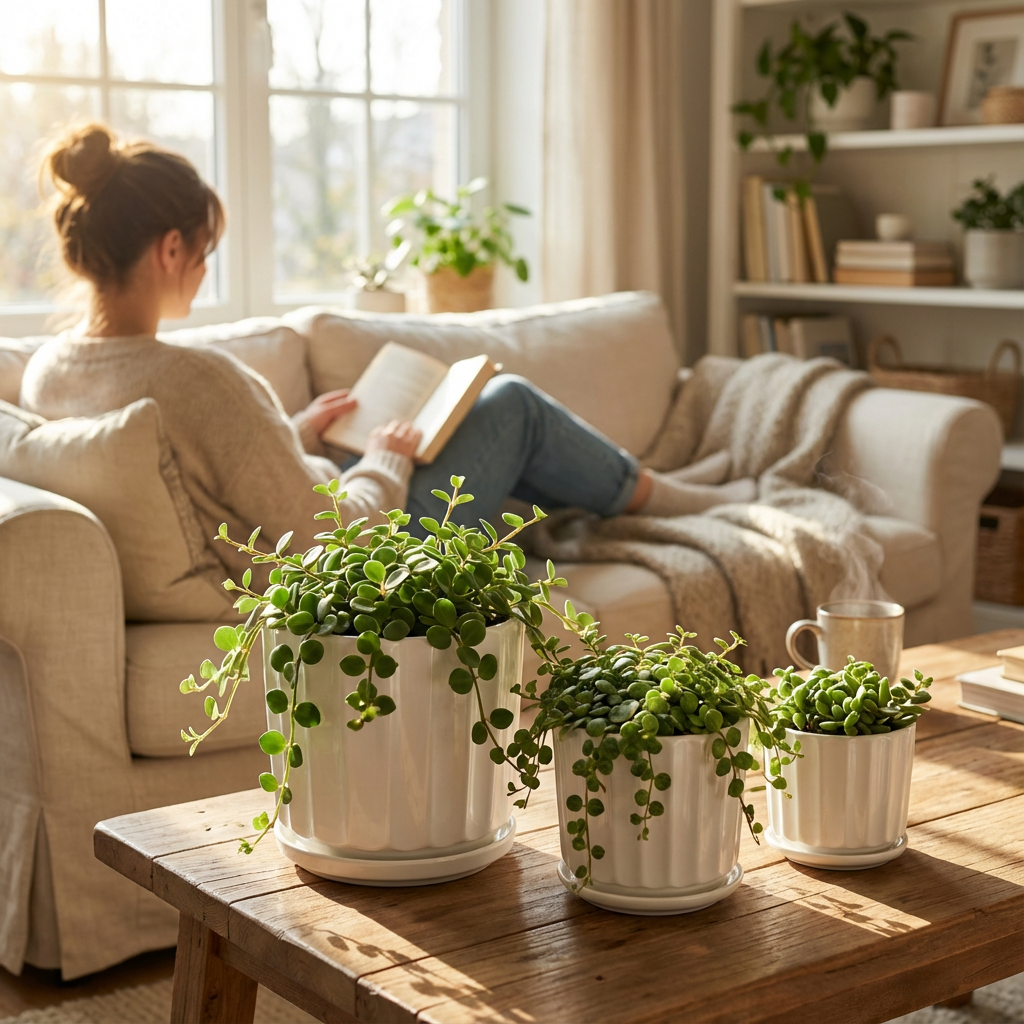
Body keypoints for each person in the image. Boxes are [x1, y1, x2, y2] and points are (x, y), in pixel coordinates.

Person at [21, 123, 753, 572]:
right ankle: (678, 497)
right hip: (373, 572)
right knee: (512, 407)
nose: (207, 267)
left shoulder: (48, 374)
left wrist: (293, 434)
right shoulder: (200, 380)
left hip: (270, 532)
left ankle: (651, 485)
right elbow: (335, 541)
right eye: (206, 250)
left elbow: (200, 478)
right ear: (172, 247)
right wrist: (385, 461)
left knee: (398, 431)